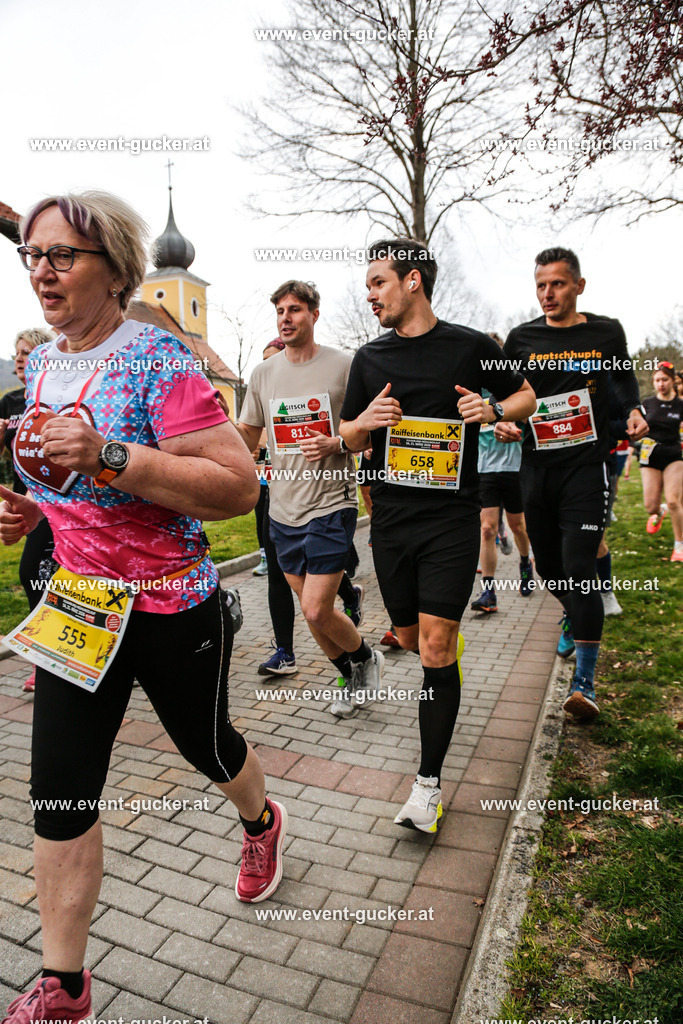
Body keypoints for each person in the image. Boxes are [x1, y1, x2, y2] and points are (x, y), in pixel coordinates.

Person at [0, 191, 287, 1024]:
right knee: (58, 790)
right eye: (33, 255)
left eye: (62, 257)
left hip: (170, 607)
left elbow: (236, 486)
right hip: (80, 607)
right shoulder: (44, 364)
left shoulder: (158, 361)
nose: (41, 272)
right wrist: (25, 509)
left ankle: (260, 818)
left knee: (205, 746)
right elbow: (63, 485)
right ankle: (65, 985)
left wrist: (112, 455)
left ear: (116, 270)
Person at [340, 239, 536, 832]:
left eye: (378, 282)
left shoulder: (472, 346)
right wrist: (363, 424)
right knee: (406, 633)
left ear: (414, 281)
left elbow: (527, 397)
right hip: (391, 521)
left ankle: (427, 787)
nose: (369, 293)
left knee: (434, 648)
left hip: (453, 517)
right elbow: (347, 435)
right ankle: (432, 632)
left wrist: (493, 410)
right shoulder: (369, 358)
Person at [500, 247, 648, 721]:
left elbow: (623, 380)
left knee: (580, 565)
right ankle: (575, 609)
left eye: (558, 284)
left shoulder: (605, 332)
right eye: (541, 285)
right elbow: (505, 394)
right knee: (549, 566)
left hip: (587, 467)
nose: (548, 293)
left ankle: (583, 685)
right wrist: (501, 420)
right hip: (535, 467)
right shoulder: (521, 337)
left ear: (579, 285)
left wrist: (633, 409)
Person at [236, 280, 380, 718]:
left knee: (318, 609)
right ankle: (350, 670)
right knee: (310, 610)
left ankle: (367, 657)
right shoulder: (263, 374)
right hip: (282, 509)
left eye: (295, 309)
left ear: (314, 315)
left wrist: (336, 443)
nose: (286, 317)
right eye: (280, 310)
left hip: (331, 503)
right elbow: (247, 434)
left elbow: (366, 429)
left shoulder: (345, 365)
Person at [0, 328, 56, 692]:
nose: (20, 358)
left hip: (61, 503)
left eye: (28, 351)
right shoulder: (10, 401)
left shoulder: (57, 395)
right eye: (17, 352)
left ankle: (53, 662)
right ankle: (48, 660)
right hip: (28, 502)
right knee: (35, 576)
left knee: (42, 575)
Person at [639, 361, 683, 561]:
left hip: (674, 455)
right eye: (657, 380)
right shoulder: (647, 403)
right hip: (650, 455)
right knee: (651, 507)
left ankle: (679, 546)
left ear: (673, 380)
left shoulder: (681, 404)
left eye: (665, 379)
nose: (661, 384)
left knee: (674, 501)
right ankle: (660, 510)